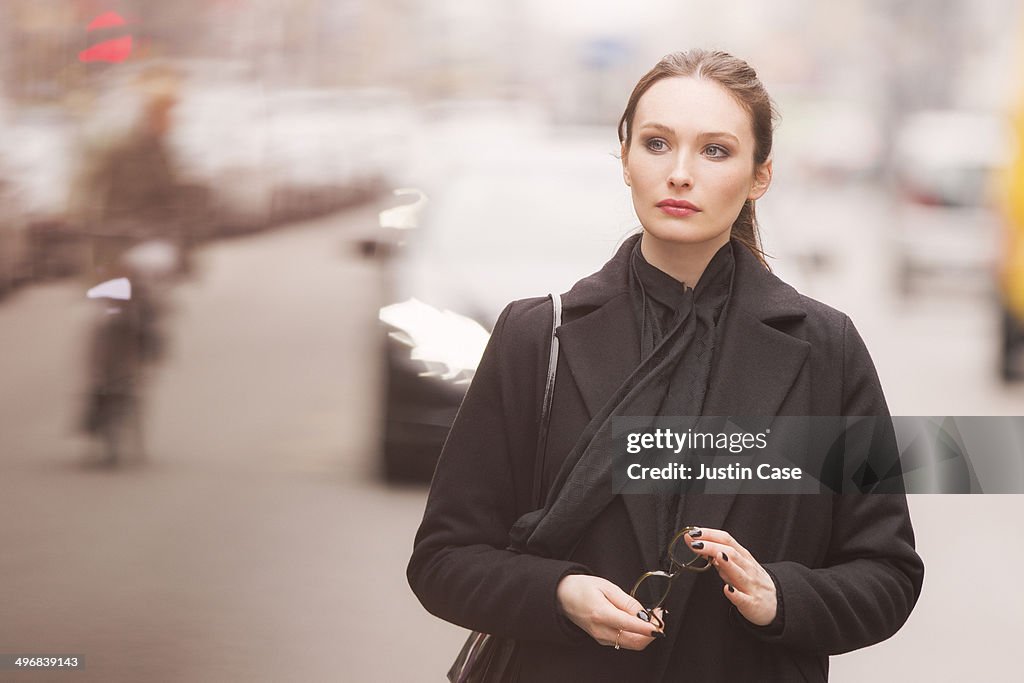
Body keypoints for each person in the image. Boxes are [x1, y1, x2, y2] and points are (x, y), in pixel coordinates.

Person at [407, 50, 924, 682]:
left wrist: (780, 598)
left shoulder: (825, 347)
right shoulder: (538, 336)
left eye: (715, 151)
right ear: (624, 157)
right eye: (657, 144)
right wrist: (560, 594)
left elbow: (887, 573)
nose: (679, 173)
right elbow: (443, 559)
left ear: (760, 175)